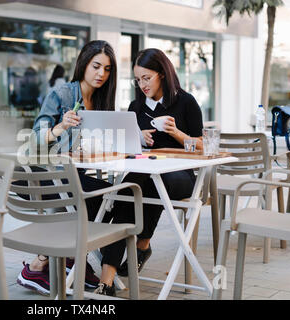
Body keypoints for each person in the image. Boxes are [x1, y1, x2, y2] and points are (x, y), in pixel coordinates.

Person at [95, 48, 204, 296]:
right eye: (137, 79)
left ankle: (142, 245)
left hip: (181, 175)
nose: (142, 84)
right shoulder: (136, 106)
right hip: (147, 175)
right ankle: (107, 279)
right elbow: (128, 146)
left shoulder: (185, 102)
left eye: (146, 78)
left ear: (162, 74)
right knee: (131, 189)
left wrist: (176, 133)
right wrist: (139, 138)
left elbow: (201, 146)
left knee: (141, 185)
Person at [17, 40, 118, 296]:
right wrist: (60, 128)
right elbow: (33, 141)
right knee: (91, 198)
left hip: (72, 176)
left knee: (113, 196)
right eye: (96, 66)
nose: (101, 74)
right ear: (84, 64)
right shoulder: (62, 94)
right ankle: (43, 262)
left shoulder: (101, 102)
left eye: (107, 69)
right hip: (42, 175)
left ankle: (66, 260)